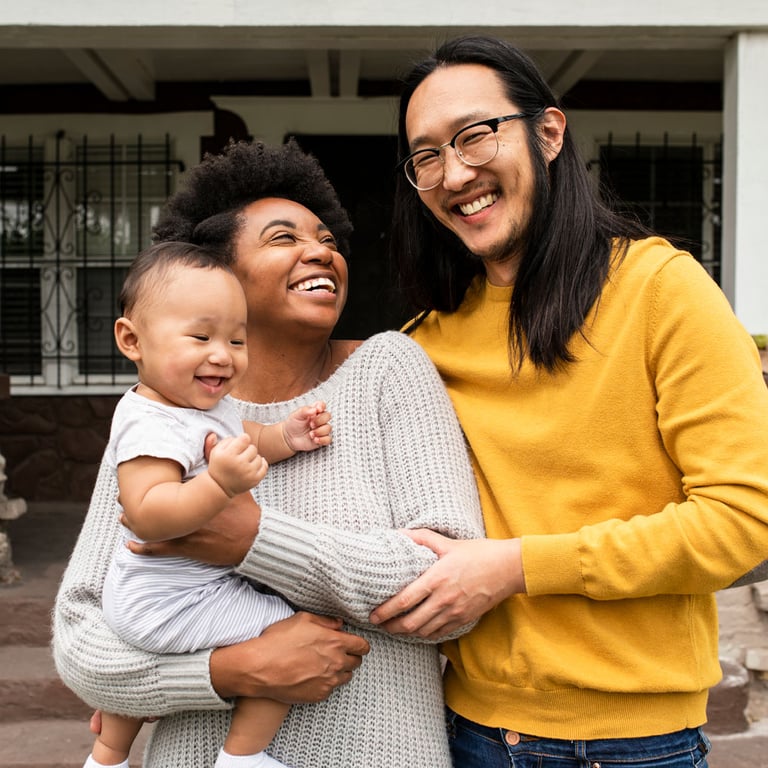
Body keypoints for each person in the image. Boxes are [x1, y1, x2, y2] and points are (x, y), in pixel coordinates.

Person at [370, 35, 768, 768]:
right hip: (465, 732)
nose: (455, 173)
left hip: (635, 746)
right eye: (427, 156)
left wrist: (512, 567)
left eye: (474, 135)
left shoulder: (660, 290)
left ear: (548, 132)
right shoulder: (420, 344)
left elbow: (740, 521)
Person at [53, 139, 485, 768]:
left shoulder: (390, 369)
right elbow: (84, 638)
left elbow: (451, 593)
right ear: (216, 276)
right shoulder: (161, 413)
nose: (322, 251)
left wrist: (251, 539)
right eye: (284, 237)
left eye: (328, 239)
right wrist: (233, 670)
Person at [85, 241, 334, 768]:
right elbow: (147, 514)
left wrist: (285, 437)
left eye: (236, 340)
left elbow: (247, 437)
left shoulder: (203, 407)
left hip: (165, 596)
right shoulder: (146, 421)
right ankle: (243, 757)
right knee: (286, 635)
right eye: (200, 337)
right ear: (132, 340)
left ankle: (106, 758)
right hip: (168, 599)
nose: (222, 354)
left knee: (149, 662)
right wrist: (218, 484)